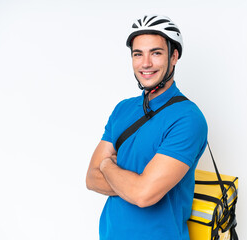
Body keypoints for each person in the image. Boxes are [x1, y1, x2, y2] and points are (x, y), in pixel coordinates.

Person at [86, 14, 208, 240]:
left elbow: (143, 195)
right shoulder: (123, 109)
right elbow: (91, 179)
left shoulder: (188, 118)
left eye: (156, 53)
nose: (146, 63)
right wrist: (134, 185)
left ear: (174, 56)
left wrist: (106, 165)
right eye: (138, 54)